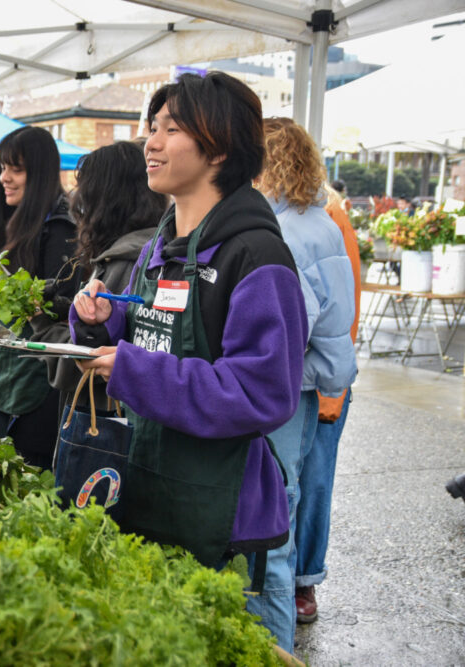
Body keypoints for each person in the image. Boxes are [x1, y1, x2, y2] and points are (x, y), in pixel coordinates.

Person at [71, 72, 306, 648]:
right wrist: (105, 320)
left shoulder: (257, 256)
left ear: (219, 147)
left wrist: (134, 370)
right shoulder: (161, 245)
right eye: (151, 128)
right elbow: (160, 331)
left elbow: (262, 393)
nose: (150, 143)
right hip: (149, 487)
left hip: (218, 512)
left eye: (170, 130)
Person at [254, 117, 357, 650]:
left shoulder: (282, 231)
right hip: (310, 386)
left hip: (284, 391)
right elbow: (335, 322)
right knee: (286, 505)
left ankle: (273, 645)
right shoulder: (319, 221)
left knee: (271, 517)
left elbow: (289, 328)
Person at [0, 126, 80, 470]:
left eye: (16, 169)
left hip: (38, 380)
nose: (4, 178)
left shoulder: (62, 228)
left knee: (25, 472)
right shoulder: (6, 217)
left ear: (41, 173)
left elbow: (52, 307)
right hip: (0, 367)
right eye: (2, 168)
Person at [40, 141, 168, 419]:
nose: (79, 204)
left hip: (106, 423)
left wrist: (38, 324)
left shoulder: (128, 260)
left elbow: (91, 360)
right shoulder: (144, 249)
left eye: (85, 194)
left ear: (106, 199)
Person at [293, 182, 362, 625]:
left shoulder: (326, 217)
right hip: (294, 381)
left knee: (314, 484)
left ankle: (305, 579)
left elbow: (342, 313)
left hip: (318, 383)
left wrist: (331, 393)